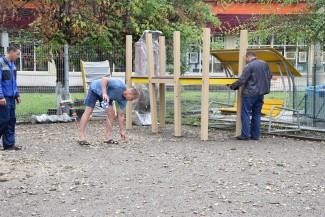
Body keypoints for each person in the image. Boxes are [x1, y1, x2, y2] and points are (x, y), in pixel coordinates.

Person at [78, 77, 140, 145]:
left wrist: (122, 131)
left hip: (106, 97)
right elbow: (104, 79)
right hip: (96, 89)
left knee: (111, 113)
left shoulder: (124, 100)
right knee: (89, 111)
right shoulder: (119, 85)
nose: (131, 100)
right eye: (132, 98)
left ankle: (107, 138)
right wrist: (104, 93)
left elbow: (121, 115)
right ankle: (81, 136)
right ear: (130, 93)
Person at [229, 51, 272, 140]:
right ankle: (255, 136)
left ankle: (245, 135)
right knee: (256, 115)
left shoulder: (249, 66)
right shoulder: (265, 64)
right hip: (261, 93)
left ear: (248, 56)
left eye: (246, 58)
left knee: (245, 113)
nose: (246, 60)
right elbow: (270, 75)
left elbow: (242, 80)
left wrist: (232, 86)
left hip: (250, 93)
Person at [0, 45, 22, 150]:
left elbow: (14, 82)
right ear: (11, 52)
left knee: (11, 120)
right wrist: (0, 96)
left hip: (11, 97)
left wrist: (17, 94)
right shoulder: (0, 63)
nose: (18, 57)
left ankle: (9, 144)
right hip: (3, 98)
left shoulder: (13, 64)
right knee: (4, 120)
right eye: (17, 54)